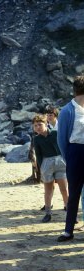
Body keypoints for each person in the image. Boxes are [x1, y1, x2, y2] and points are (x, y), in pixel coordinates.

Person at [57, 75, 84, 242]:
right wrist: (68, 158)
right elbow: (61, 139)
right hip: (75, 153)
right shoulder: (67, 110)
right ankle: (68, 230)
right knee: (74, 193)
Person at [32, 114, 68, 223]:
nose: (38, 127)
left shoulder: (55, 133)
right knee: (48, 189)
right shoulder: (36, 139)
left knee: (64, 189)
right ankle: (48, 213)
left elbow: (64, 146)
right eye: (35, 125)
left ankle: (69, 211)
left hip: (60, 162)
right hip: (46, 163)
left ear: (46, 123)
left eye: (40, 124)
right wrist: (41, 167)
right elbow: (38, 155)